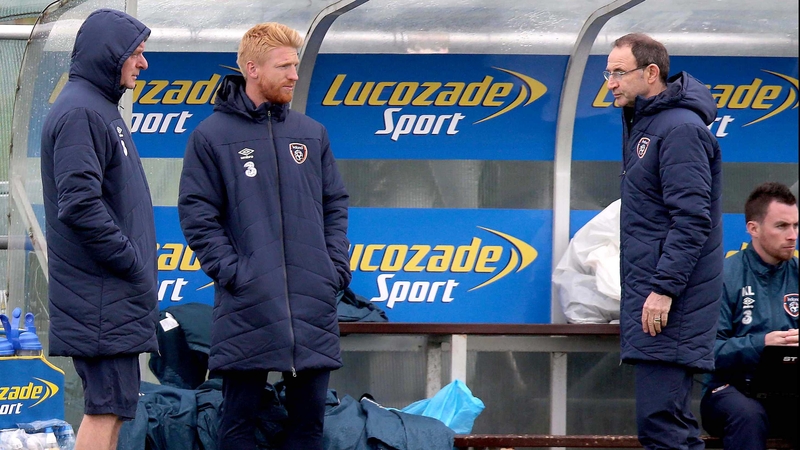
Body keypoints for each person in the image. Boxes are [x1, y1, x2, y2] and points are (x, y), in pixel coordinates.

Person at [177, 22, 351, 450]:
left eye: (295, 65)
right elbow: (197, 212)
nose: (294, 74)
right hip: (248, 303)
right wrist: (234, 272)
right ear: (252, 69)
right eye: (285, 66)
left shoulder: (311, 133)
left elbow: (335, 204)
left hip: (312, 301)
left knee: (308, 428)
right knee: (238, 425)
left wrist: (332, 269)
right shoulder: (212, 137)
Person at [39, 8, 158, 450]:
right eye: (137, 53)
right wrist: (129, 259)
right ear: (111, 54)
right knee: (105, 409)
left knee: (115, 408)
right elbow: (80, 203)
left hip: (112, 296)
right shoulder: (82, 113)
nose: (143, 63)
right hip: (103, 295)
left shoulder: (98, 109)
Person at [607, 33, 723, 449]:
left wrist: (663, 290)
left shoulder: (679, 130)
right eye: (608, 73)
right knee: (666, 426)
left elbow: (692, 221)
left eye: (619, 73)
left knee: (662, 426)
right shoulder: (649, 124)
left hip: (672, 305)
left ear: (651, 73)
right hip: (658, 302)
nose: (610, 82)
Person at [700, 182, 798, 450]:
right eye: (782, 226)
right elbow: (708, 351)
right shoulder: (722, 276)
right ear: (753, 229)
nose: (792, 235)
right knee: (748, 416)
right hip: (731, 391)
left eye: (796, 226)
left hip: (789, 391)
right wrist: (761, 344)